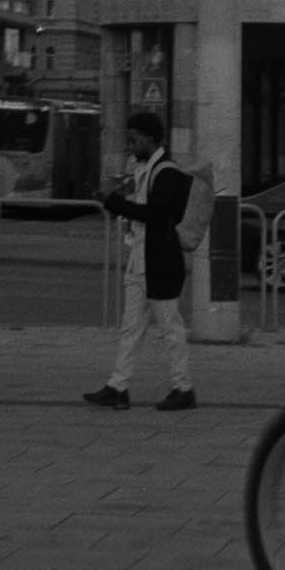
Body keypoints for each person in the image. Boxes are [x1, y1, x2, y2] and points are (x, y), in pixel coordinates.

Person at [82, 111, 196, 413]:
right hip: (140, 260)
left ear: (149, 138)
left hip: (160, 262)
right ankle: (118, 387)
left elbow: (156, 215)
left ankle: (184, 388)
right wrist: (118, 199)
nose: (130, 146)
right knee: (130, 327)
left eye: (134, 140)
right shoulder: (146, 169)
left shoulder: (167, 172)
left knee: (170, 327)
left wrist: (115, 202)